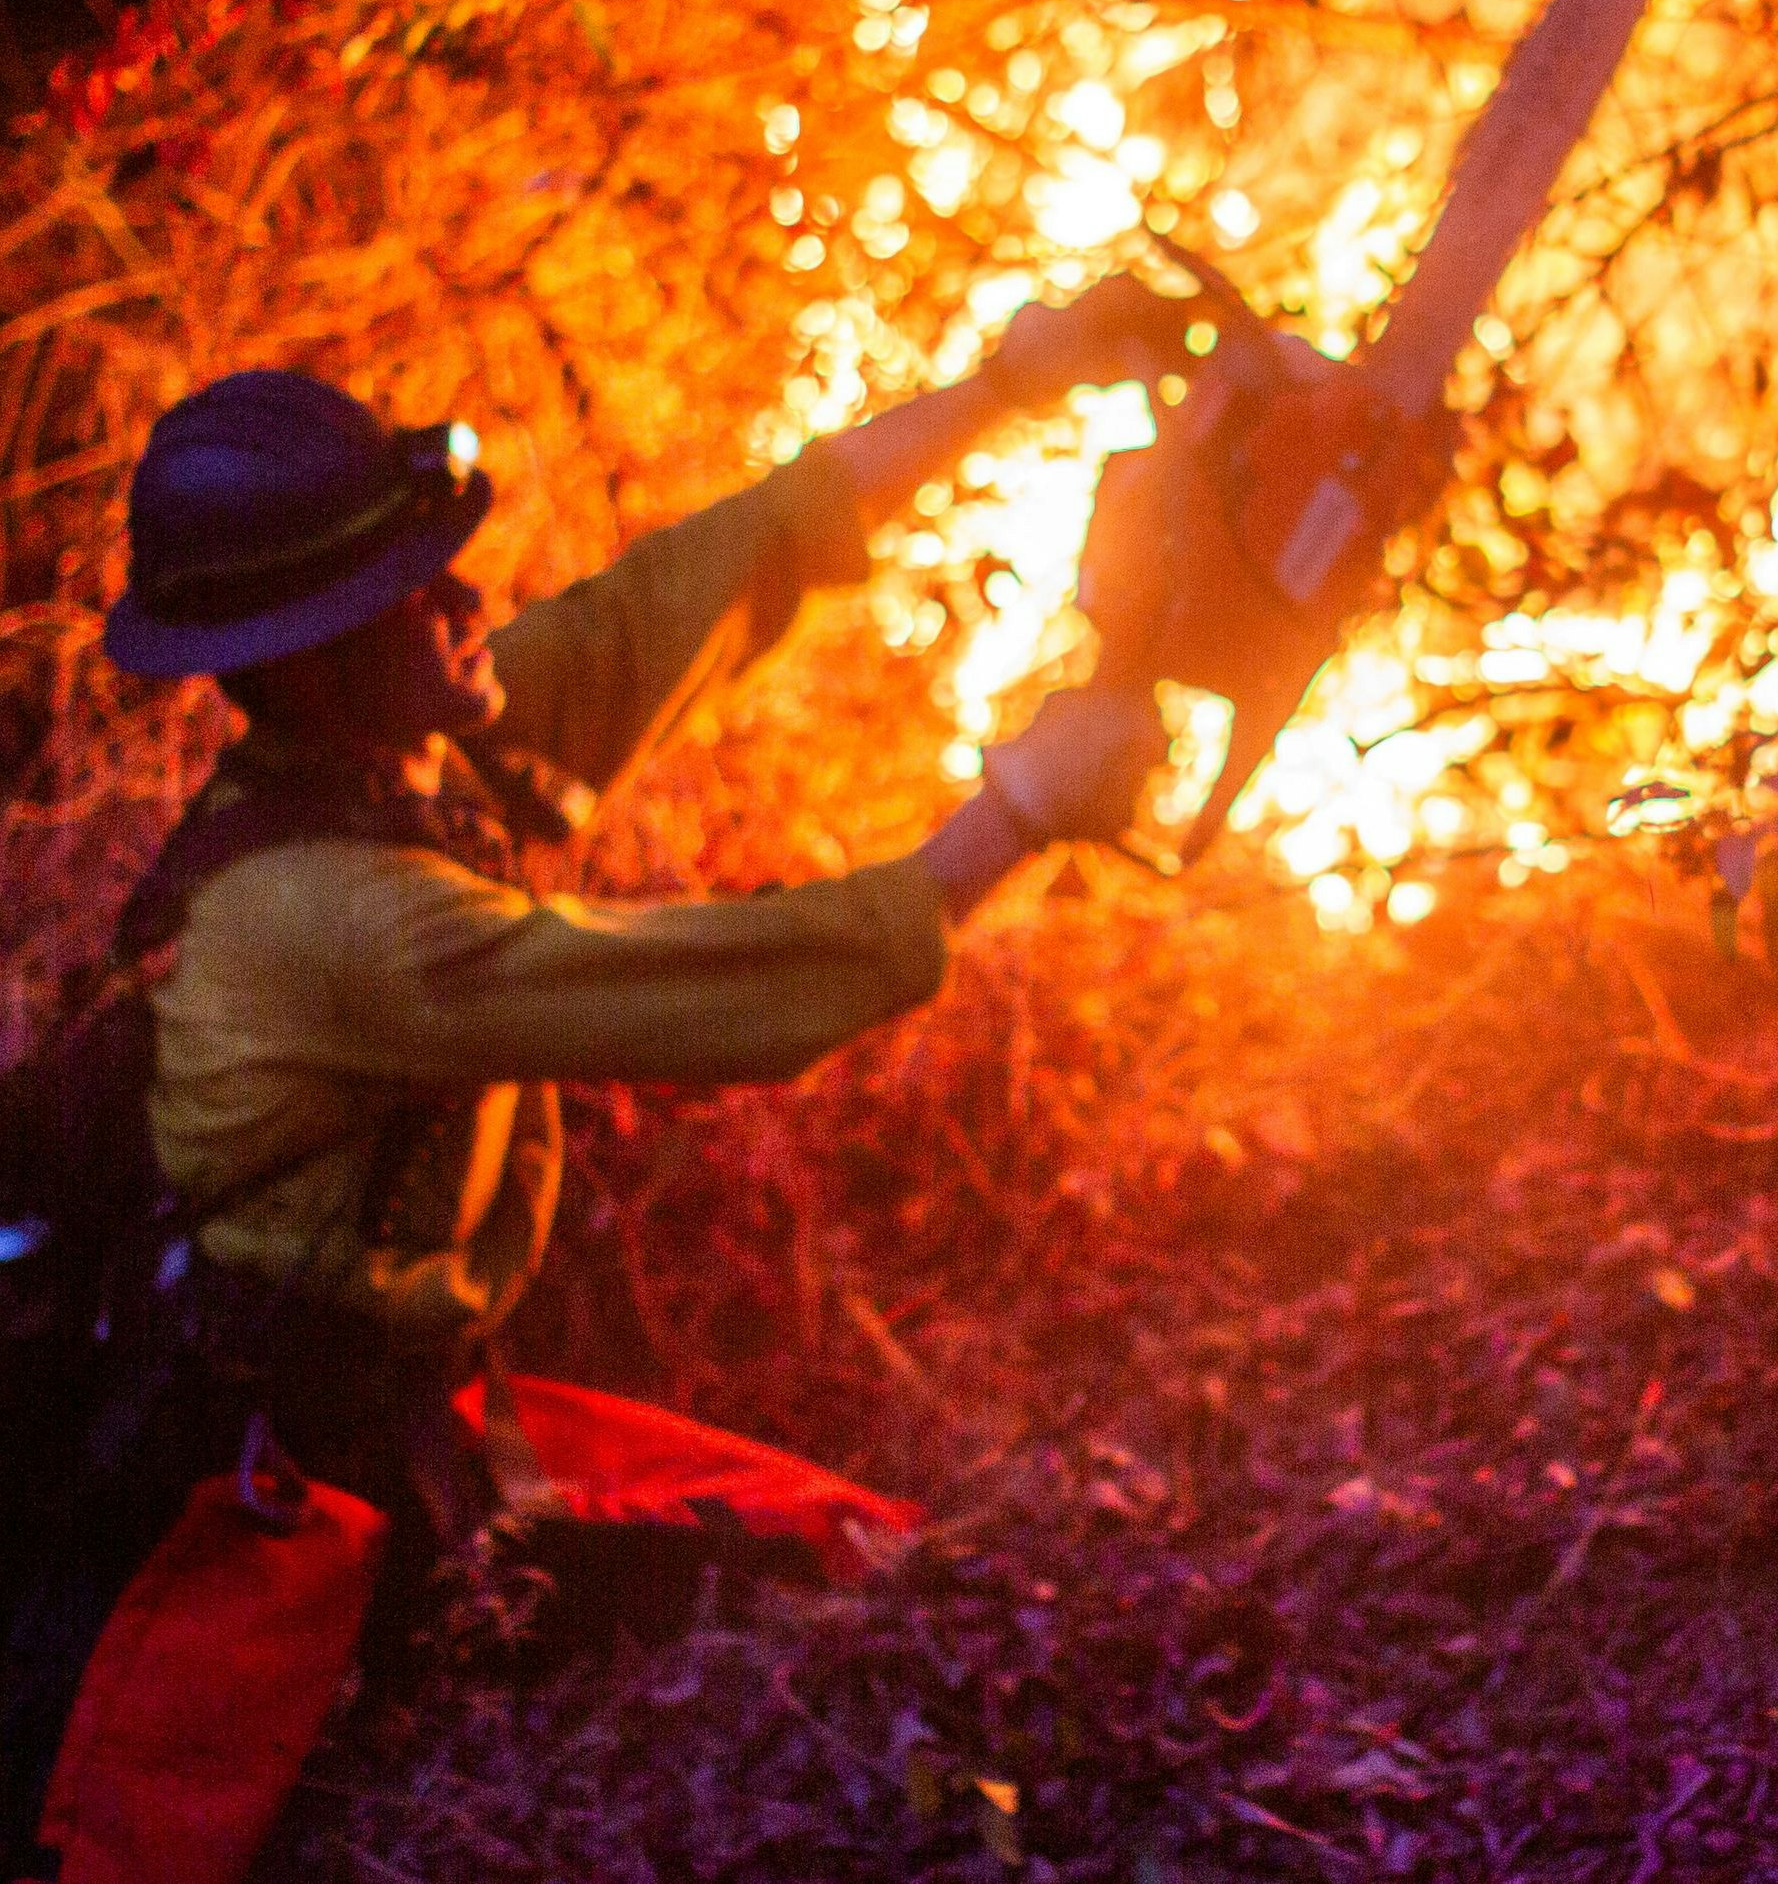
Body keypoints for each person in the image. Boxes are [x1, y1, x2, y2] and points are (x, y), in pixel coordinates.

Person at [5, 277, 1175, 1876]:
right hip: (267, 1503)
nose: (466, 598)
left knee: (880, 1561)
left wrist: (1004, 388)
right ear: (317, 660)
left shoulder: (423, 747)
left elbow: (719, 574)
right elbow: (724, 993)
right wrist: (1020, 811)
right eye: (416, 584)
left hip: (425, 1423)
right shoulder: (329, 918)